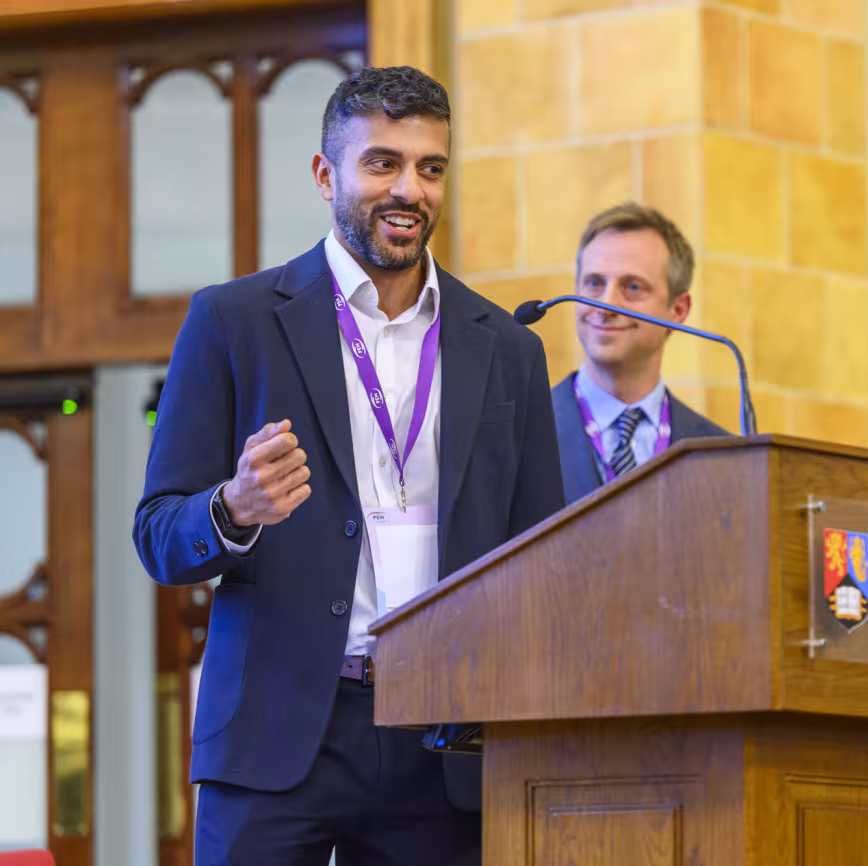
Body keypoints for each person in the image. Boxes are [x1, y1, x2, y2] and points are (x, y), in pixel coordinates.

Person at [133, 66, 564, 866]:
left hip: (449, 743)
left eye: (430, 168)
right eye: (382, 163)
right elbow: (158, 533)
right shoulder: (233, 321)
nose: (409, 189)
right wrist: (232, 508)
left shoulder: (508, 348)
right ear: (326, 174)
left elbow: (539, 554)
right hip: (276, 731)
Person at [551, 202, 728, 504]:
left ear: (678, 309)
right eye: (594, 284)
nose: (605, 305)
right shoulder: (517, 433)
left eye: (632, 287)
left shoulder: (723, 456)